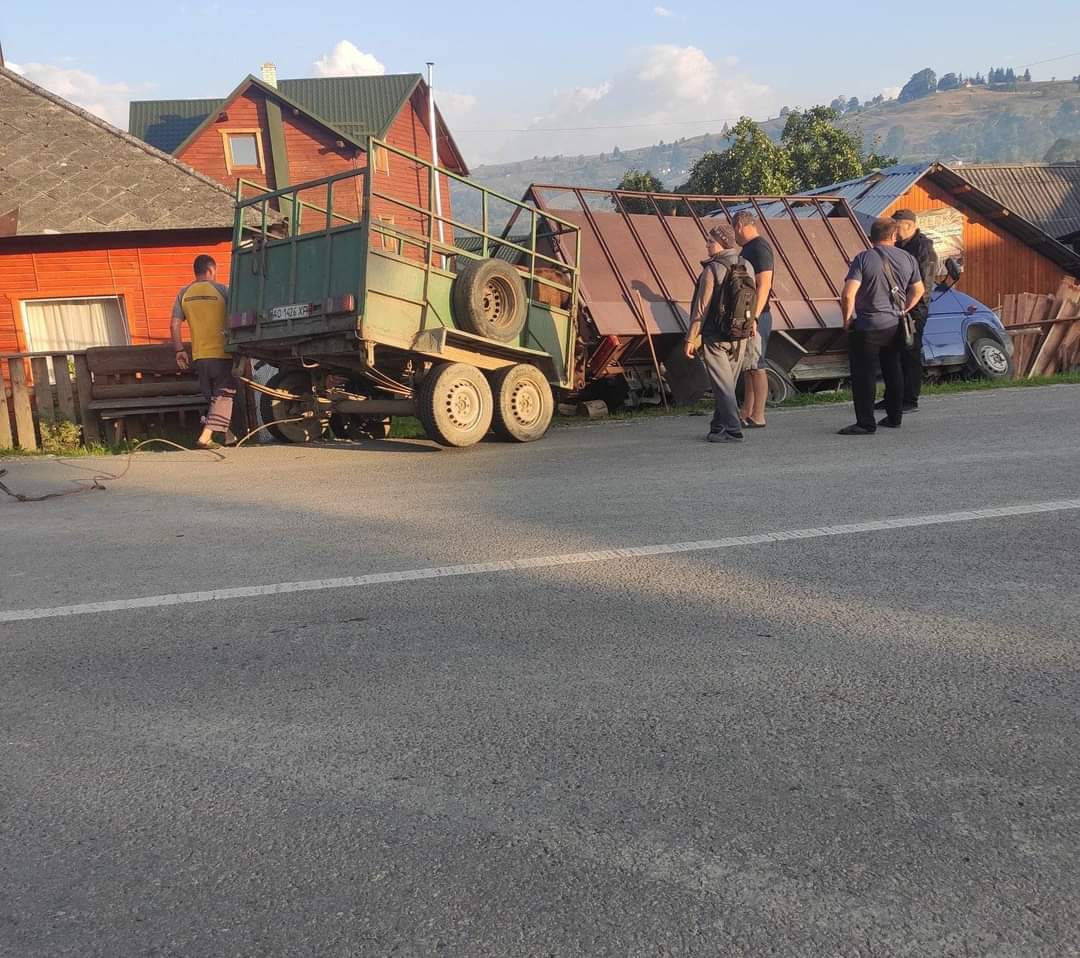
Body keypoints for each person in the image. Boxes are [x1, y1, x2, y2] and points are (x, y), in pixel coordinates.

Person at [838, 218, 925, 435]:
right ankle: (895, 417)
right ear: (893, 236)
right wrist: (904, 310)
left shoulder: (863, 259)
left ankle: (866, 423)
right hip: (894, 324)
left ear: (870, 237)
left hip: (868, 325)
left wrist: (847, 318)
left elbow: (848, 293)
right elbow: (919, 290)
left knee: (864, 375)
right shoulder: (908, 258)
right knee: (893, 369)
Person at [683, 225, 755, 443]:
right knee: (727, 385)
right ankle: (718, 427)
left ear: (723, 242)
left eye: (710, 241)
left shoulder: (713, 269)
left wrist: (690, 338)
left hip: (716, 336)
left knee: (722, 386)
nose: (707, 244)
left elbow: (701, 308)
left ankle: (733, 430)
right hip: (741, 334)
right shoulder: (747, 265)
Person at [171, 254, 237, 449]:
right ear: (211, 270)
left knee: (213, 398)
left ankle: (229, 435)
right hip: (222, 353)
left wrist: (179, 350)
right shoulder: (223, 290)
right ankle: (205, 437)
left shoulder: (183, 294)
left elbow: (174, 324)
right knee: (224, 395)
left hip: (199, 356)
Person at [877, 209, 937, 413]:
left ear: (909, 225)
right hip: (894, 307)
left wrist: (908, 308)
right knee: (892, 354)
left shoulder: (923, 249)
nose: (894, 229)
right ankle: (892, 396)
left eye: (897, 225)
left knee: (910, 353)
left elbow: (924, 286)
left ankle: (910, 399)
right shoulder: (898, 245)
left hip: (914, 309)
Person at [732, 210, 775, 429]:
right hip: (747, 315)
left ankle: (759, 414)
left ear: (739, 225)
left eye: (734, 230)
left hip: (758, 315)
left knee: (757, 365)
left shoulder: (760, 247)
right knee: (748, 366)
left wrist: (755, 316)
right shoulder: (748, 249)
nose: (735, 236)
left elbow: (764, 284)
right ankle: (746, 411)